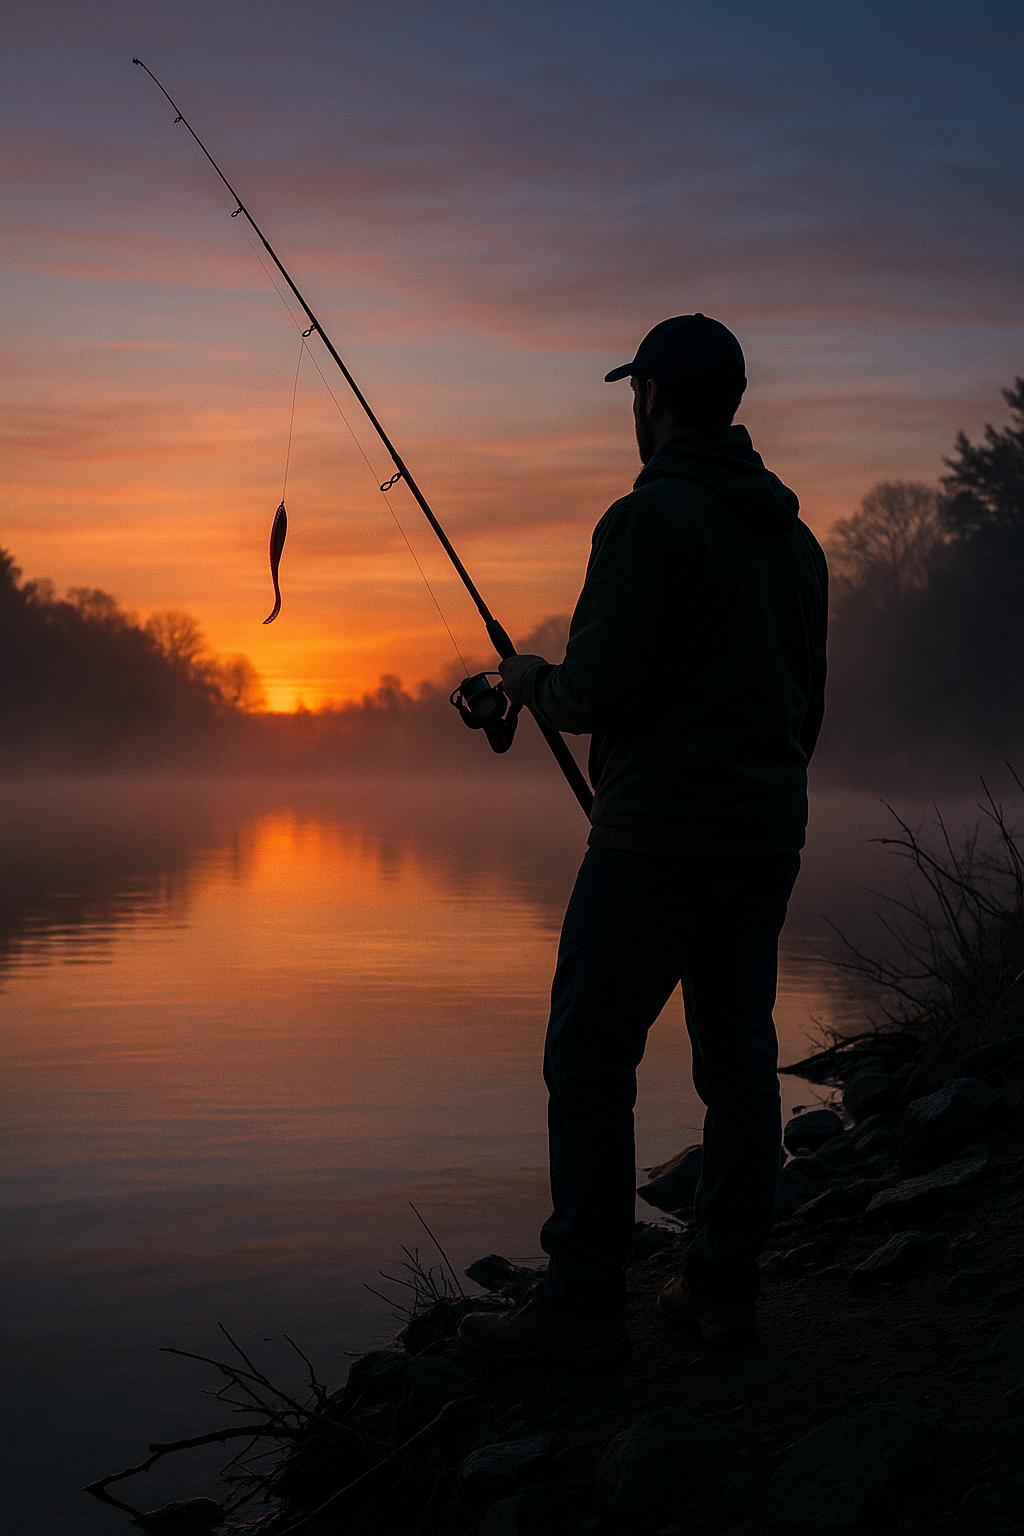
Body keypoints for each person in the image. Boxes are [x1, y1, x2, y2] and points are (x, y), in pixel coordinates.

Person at [457, 314, 828, 1370]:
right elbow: (807, 706)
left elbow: (593, 691)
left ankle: (580, 1296)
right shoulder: (793, 542)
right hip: (763, 840)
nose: (633, 410)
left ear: (654, 398)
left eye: (634, 394)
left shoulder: (647, 521)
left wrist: (528, 680)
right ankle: (721, 1287)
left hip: (656, 842)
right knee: (740, 1064)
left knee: (587, 1057)